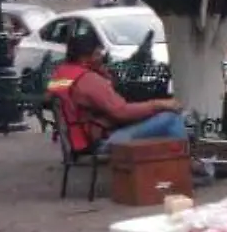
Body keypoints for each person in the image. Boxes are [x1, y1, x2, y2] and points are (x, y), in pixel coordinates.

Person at [47, 32, 185, 150]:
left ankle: (167, 167)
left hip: (75, 140)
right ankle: (185, 167)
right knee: (171, 119)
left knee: (156, 121)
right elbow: (122, 112)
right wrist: (158, 104)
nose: (101, 56)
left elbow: (55, 98)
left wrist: (102, 74)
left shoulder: (62, 73)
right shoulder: (88, 79)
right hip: (100, 142)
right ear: (84, 57)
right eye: (97, 53)